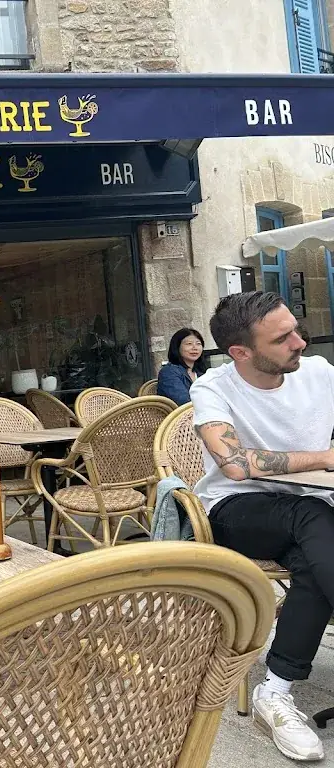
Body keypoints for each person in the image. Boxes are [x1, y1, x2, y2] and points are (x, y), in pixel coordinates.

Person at [191, 291, 334, 762]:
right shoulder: (212, 387)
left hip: (312, 510)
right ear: (241, 353)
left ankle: (274, 691)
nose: (299, 342)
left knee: (314, 558)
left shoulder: (318, 373)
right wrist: (324, 458)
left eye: (296, 328)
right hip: (238, 510)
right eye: (283, 338)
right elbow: (234, 464)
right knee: (316, 517)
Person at [157, 327, 206, 405]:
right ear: (177, 347)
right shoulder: (169, 372)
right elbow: (184, 401)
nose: (195, 348)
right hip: (180, 415)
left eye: (198, 344)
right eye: (189, 344)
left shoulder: (201, 373)